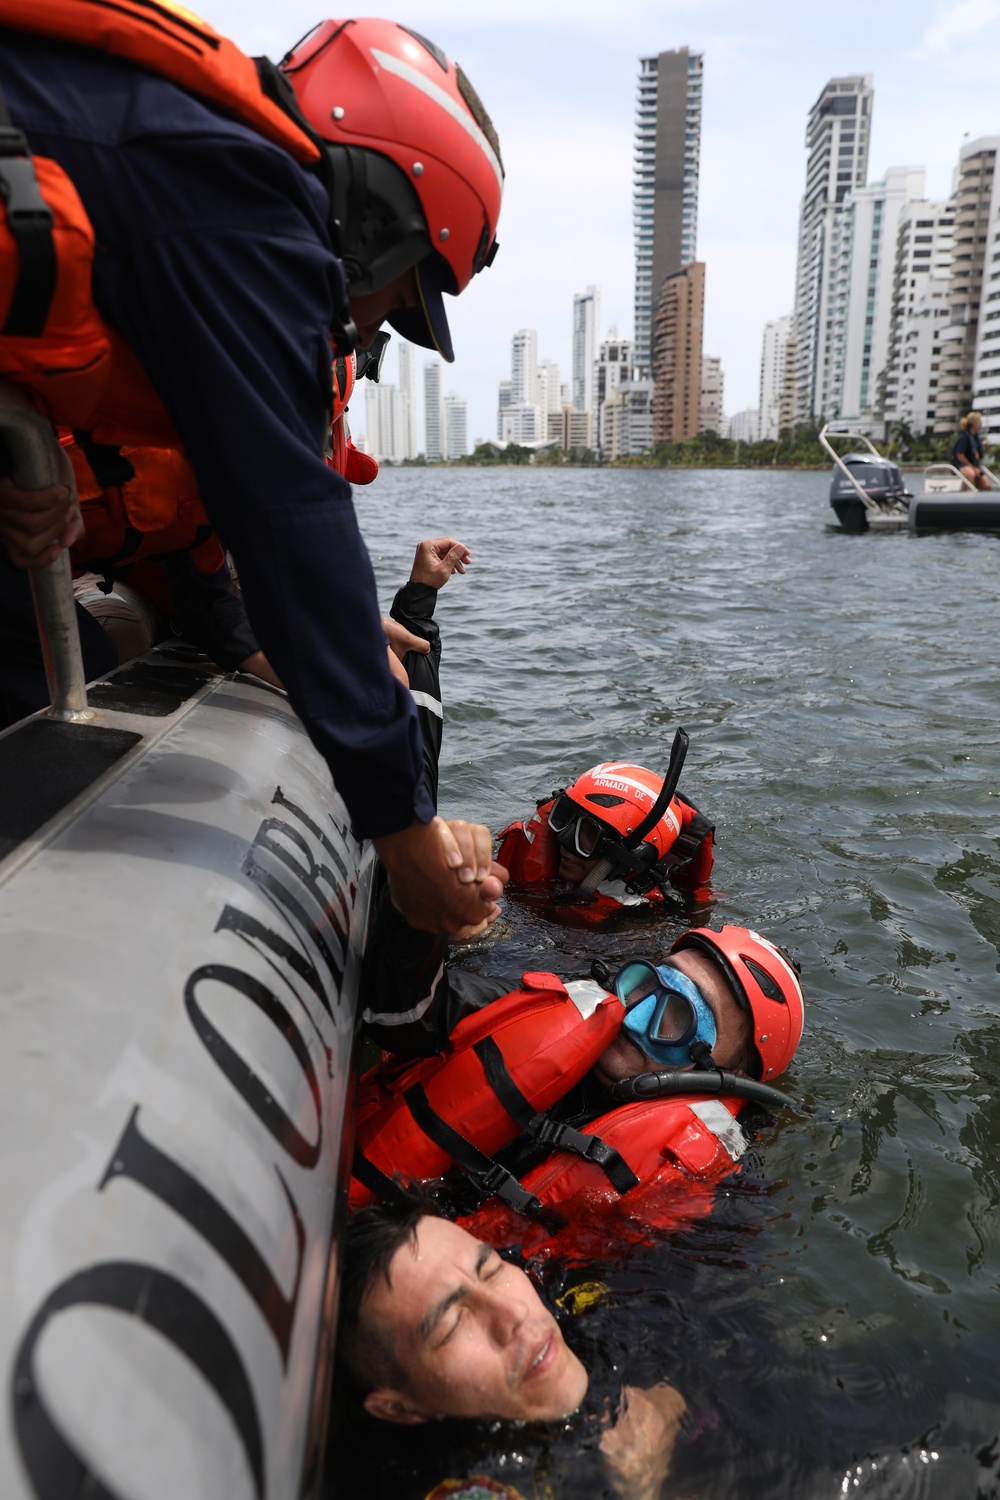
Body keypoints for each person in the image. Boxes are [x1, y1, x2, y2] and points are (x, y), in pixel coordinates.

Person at [0, 7, 505, 936]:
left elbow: (232, 557)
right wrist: (409, 842)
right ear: (381, 215)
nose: (373, 322)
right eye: (405, 293)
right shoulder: (246, 196)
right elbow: (287, 522)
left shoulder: (168, 152)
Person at [351, 923, 805, 1262]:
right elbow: (410, 1010)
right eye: (646, 985)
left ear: (731, 1072)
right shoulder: (544, 1017)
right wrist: (421, 913)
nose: (636, 1012)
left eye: (679, 1015)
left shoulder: (705, 1191)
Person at [336, 1189, 689, 1500]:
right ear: (399, 1408)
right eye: (453, 1324)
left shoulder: (585, 1300)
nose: (515, 1313)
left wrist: (670, 1402)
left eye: (491, 1270)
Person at [497, 755, 714, 922]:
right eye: (567, 819)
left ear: (633, 856)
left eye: (590, 833)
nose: (565, 840)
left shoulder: (633, 923)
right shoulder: (564, 864)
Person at [952, 412, 991, 491]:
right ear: (974, 423)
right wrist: (973, 467)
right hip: (961, 465)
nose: (981, 423)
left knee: (986, 484)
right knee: (971, 474)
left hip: (974, 466)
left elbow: (979, 455)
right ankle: (967, 497)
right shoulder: (964, 438)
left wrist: (983, 447)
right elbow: (960, 456)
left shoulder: (977, 439)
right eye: (979, 421)